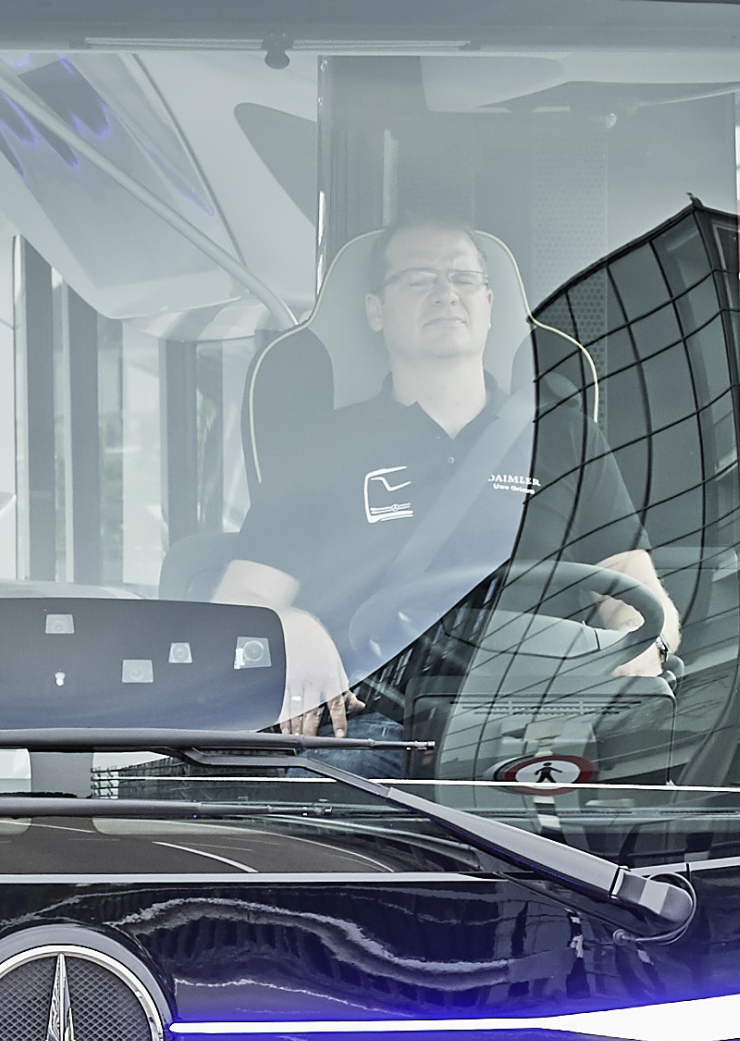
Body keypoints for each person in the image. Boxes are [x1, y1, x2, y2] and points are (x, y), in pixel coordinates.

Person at [219, 218, 678, 737]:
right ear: (376, 310)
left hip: (541, 722)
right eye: (417, 279)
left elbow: (631, 584)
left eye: (462, 280)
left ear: (487, 305)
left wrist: (646, 647)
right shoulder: (323, 446)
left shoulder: (560, 434)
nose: (444, 294)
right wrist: (293, 627)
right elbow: (243, 603)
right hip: (375, 728)